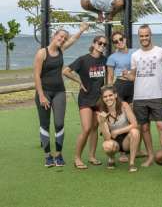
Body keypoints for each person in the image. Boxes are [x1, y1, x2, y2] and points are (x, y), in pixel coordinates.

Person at [33, 23, 88, 167]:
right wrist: (41, 95)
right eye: (60, 36)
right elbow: (37, 76)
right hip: (44, 92)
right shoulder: (42, 53)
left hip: (59, 92)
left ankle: (58, 155)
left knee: (59, 123)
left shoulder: (61, 50)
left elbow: (73, 40)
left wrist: (81, 30)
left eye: (64, 38)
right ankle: (48, 156)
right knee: (45, 124)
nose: (62, 40)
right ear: (54, 36)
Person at [126, 25, 162, 167]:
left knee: (161, 126)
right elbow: (132, 76)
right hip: (139, 97)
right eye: (141, 36)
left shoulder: (161, 52)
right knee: (145, 129)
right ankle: (151, 156)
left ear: (150, 35)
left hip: (157, 96)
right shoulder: (135, 55)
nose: (144, 38)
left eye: (146, 35)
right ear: (139, 37)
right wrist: (127, 75)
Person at [63, 35, 108, 169]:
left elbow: (110, 76)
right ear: (94, 44)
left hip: (99, 99)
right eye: (100, 43)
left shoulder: (105, 60)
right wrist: (79, 81)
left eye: (105, 44)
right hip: (86, 99)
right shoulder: (83, 60)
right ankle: (77, 158)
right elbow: (65, 71)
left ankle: (92, 156)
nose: (102, 46)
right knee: (87, 128)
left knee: (95, 128)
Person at [97, 85, 141, 172]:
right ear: (102, 99)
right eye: (105, 97)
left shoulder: (124, 105)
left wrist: (118, 131)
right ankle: (111, 159)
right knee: (107, 145)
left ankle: (131, 163)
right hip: (113, 141)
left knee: (135, 131)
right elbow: (107, 138)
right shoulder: (101, 113)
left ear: (115, 95)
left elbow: (135, 124)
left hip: (126, 140)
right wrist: (102, 123)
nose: (108, 98)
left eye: (110, 95)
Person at [106, 31, 135, 104]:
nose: (119, 42)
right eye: (116, 41)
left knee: (133, 110)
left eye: (121, 39)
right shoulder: (112, 57)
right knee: (120, 110)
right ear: (114, 44)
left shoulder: (135, 52)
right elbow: (110, 76)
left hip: (134, 84)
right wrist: (109, 92)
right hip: (120, 85)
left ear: (125, 39)